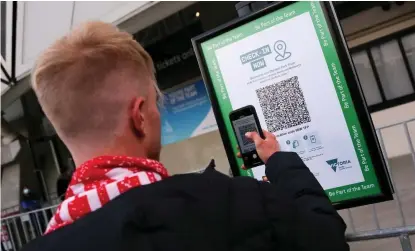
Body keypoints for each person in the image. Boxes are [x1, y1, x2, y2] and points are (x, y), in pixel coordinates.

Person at [23, 21, 348, 251]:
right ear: (139, 116)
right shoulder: (226, 203)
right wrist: (279, 161)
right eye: (155, 103)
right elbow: (326, 235)